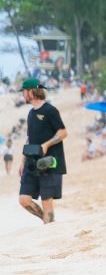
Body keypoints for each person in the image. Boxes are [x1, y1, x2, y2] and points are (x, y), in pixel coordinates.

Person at [18, 78, 68, 224]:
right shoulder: (31, 113)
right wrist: (22, 161)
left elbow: (63, 132)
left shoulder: (50, 110)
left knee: (47, 202)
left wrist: (47, 144)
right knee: (24, 199)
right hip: (31, 162)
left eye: (24, 92)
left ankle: (49, 224)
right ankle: (47, 221)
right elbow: (29, 138)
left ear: (32, 92)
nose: (23, 95)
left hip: (49, 163)